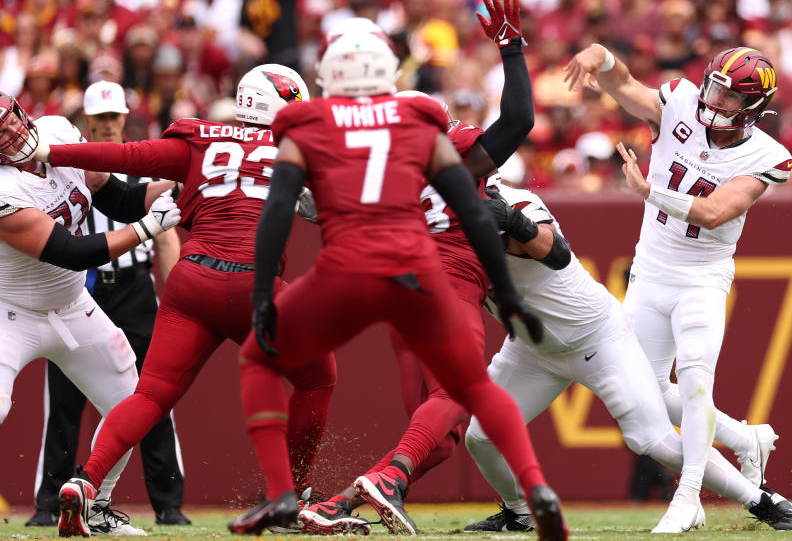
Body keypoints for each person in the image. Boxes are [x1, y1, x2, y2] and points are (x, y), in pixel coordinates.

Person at [227, 30, 567, 541]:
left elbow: (282, 207)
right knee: (467, 386)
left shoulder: (311, 123)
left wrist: (261, 293)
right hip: (424, 276)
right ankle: (534, 487)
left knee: (261, 362)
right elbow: (477, 206)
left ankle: (288, 495)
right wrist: (510, 293)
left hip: (348, 270)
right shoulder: (420, 127)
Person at [16, 65, 337, 538]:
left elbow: (123, 156)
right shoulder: (299, 150)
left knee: (149, 394)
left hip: (193, 279)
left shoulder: (200, 139)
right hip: (253, 285)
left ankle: (86, 482)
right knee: (318, 378)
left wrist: (46, 150)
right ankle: (294, 495)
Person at [298, 0, 539, 536]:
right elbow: (519, 118)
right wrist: (511, 49)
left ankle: (340, 504)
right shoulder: (449, 148)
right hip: (447, 282)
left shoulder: (374, 166)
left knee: (440, 430)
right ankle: (386, 482)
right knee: (460, 393)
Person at [462, 182, 792, 533]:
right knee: (481, 435)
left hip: (597, 336)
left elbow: (555, 250)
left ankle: (760, 500)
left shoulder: (511, 200)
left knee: (652, 440)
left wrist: (513, 222)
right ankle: (520, 512)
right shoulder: (438, 224)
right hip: (531, 349)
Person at [562, 44, 792, 532]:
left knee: (694, 379)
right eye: (716, 86)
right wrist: (599, 56)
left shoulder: (767, 155)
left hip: (702, 280)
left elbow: (715, 212)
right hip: (649, 272)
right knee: (641, 386)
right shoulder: (681, 102)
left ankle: (688, 496)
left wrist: (651, 192)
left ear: (753, 108)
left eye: (732, 97)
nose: (717, 99)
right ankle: (745, 439)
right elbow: (624, 85)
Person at [0, 94, 182, 536]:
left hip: (73, 307)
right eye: (0, 136)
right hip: (12, 313)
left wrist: (185, 186)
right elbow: (69, 252)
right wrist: (146, 230)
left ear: (24, 113)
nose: (13, 136)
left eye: (12, 123)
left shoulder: (60, 132)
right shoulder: (4, 189)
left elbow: (117, 198)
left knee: (130, 405)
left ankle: (94, 507)